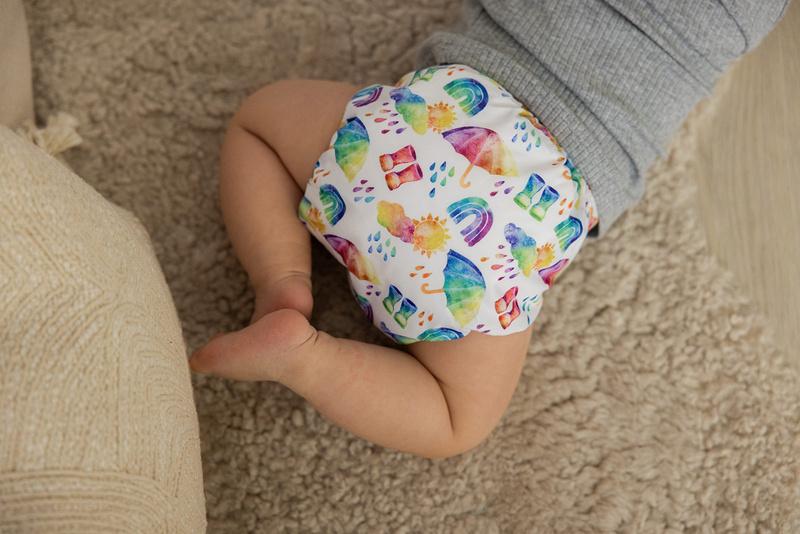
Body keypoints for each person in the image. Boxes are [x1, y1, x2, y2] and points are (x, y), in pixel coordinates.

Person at [189, 0, 789, 460]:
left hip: (434, 121)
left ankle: (282, 281)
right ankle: (305, 359)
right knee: (456, 420)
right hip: (527, 215)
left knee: (258, 124)